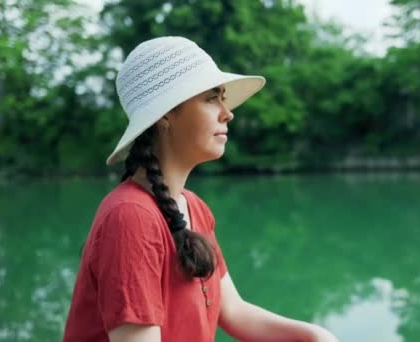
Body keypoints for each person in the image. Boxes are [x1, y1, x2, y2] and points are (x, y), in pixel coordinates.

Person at [63, 36, 338, 342]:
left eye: (223, 97)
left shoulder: (193, 208)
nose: (227, 112)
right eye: (211, 98)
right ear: (166, 114)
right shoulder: (130, 217)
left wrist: (315, 336)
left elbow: (234, 312)